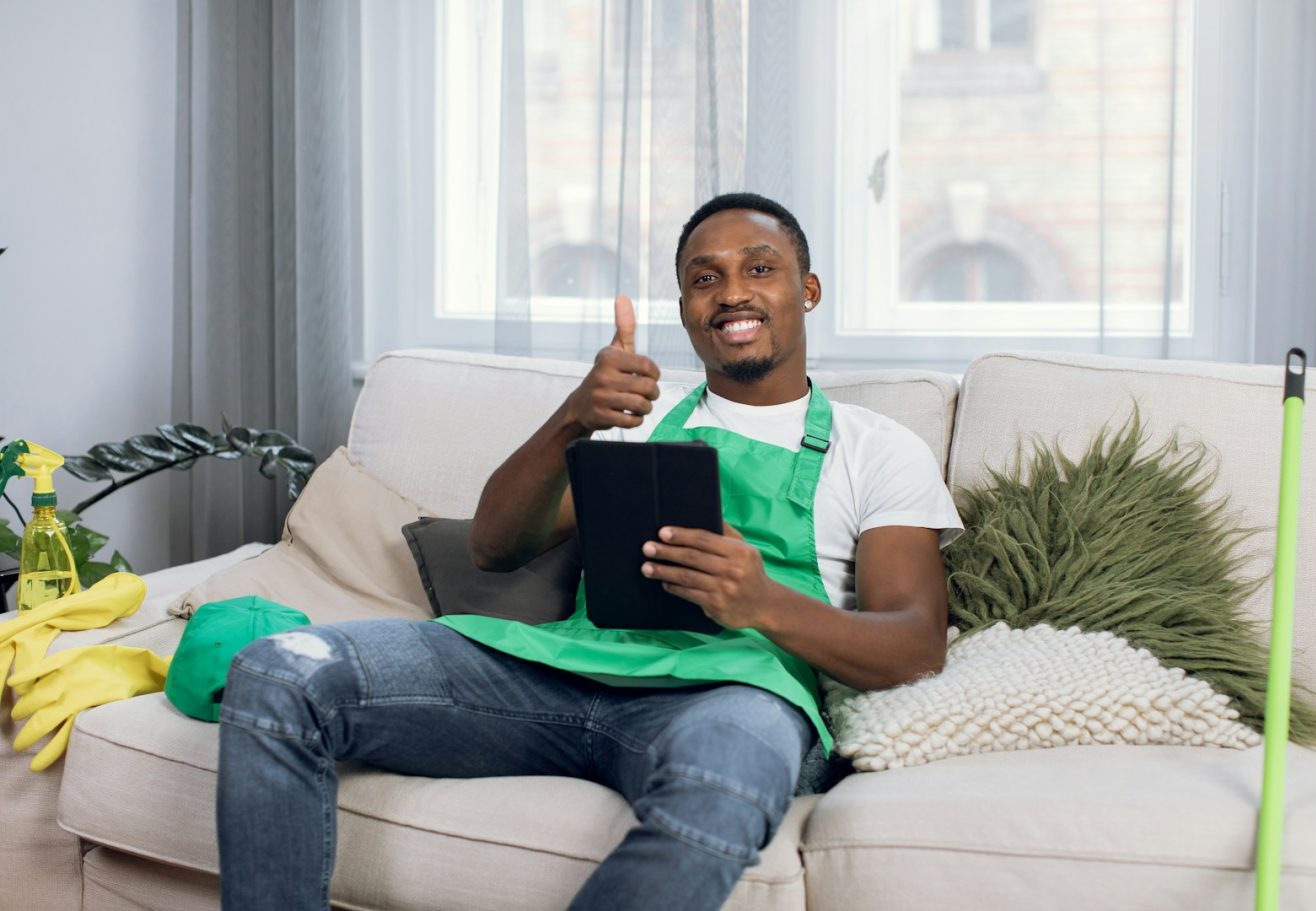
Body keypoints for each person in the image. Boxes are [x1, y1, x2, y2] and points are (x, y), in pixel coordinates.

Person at [215, 193, 962, 910]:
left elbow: (916, 644)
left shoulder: (878, 448)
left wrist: (764, 603)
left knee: (725, 781)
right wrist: (572, 416)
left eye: (759, 268)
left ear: (808, 289)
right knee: (280, 671)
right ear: (685, 310)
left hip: (731, 695)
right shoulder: (639, 416)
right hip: (555, 676)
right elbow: (495, 546)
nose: (731, 292)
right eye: (705, 278)